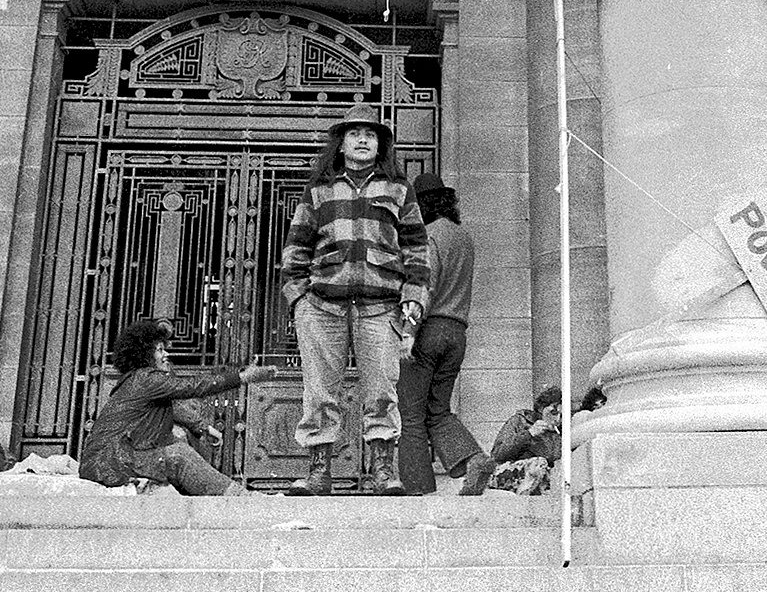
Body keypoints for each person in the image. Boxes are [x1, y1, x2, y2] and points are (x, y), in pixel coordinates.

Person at [279, 102, 429, 496]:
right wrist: (298, 299)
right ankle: (319, 473)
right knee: (319, 391)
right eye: (354, 134)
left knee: (381, 391)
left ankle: (382, 472)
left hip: (381, 307)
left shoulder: (399, 189)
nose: (362, 140)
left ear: (380, 145)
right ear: (341, 144)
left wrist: (414, 295)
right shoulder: (319, 189)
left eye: (370, 134)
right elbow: (296, 246)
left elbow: (417, 247)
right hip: (321, 306)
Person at [79, 318, 278, 494]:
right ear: (145, 354)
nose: (166, 354)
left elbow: (175, 409)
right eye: (159, 350)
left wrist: (203, 427)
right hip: (110, 463)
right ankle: (241, 498)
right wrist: (242, 377)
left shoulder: (139, 381)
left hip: (108, 461)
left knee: (176, 442)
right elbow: (193, 386)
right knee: (179, 455)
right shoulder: (146, 379)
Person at [396, 172, 486, 495]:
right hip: (457, 333)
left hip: (428, 331)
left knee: (410, 415)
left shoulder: (428, 237)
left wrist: (409, 330)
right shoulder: (464, 238)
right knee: (438, 410)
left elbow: (424, 286)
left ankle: (418, 489)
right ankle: (473, 458)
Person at [459, 385, 562, 496]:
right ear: (541, 408)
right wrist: (529, 434)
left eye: (562, 415)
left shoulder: (562, 432)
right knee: (538, 463)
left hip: (542, 479)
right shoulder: (520, 420)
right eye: (553, 413)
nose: (557, 420)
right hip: (510, 473)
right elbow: (498, 454)